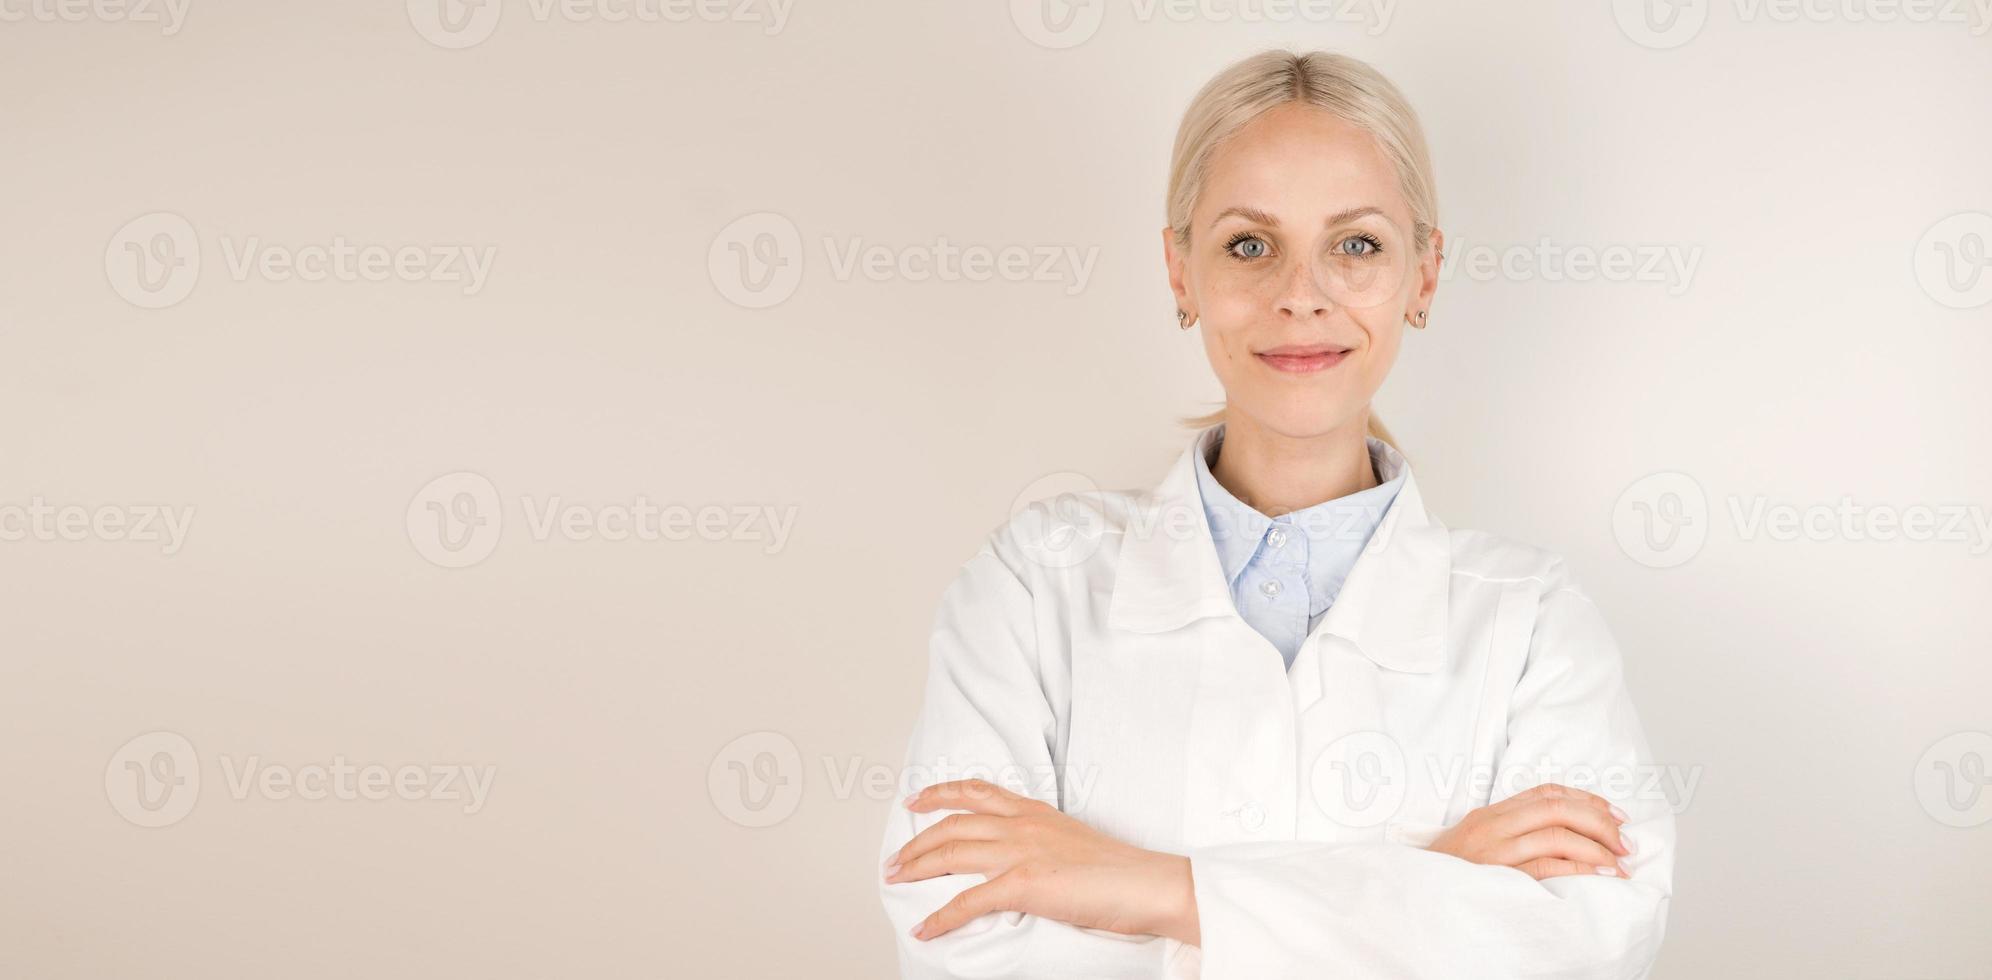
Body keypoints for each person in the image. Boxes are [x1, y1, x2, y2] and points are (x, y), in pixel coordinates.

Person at [877, 48, 1675, 979]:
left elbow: (1581, 948)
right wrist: (1427, 895)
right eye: (1249, 245)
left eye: (1358, 244)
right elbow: (957, 935)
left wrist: (1150, 891)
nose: (1302, 295)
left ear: (1424, 272)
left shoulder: (1533, 622)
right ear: (1181, 273)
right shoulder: (1032, 584)